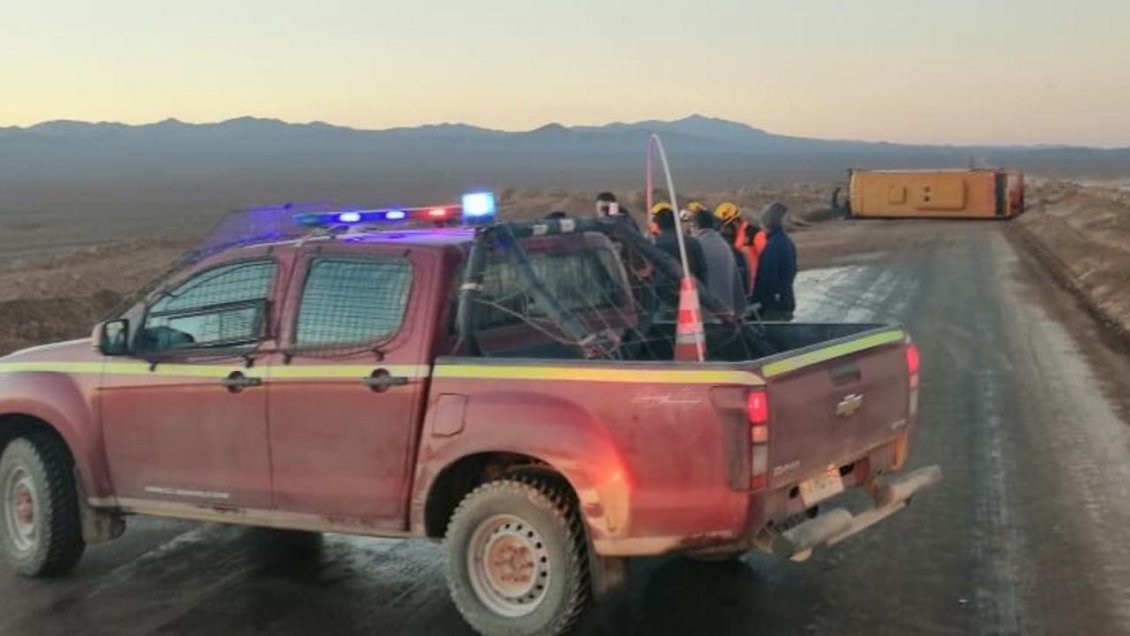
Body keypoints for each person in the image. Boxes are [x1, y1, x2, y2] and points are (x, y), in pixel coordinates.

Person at [693, 210, 746, 315]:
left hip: (704, 314)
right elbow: (737, 284)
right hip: (727, 312)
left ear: (695, 226)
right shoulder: (725, 246)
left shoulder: (696, 245)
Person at [751, 202, 797, 321]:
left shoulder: (772, 247)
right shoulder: (786, 242)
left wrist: (756, 300)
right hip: (785, 300)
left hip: (774, 306)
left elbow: (767, 279)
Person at [650, 202, 708, 283]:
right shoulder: (693, 243)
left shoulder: (653, 244)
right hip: (692, 291)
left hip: (663, 292)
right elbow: (703, 273)